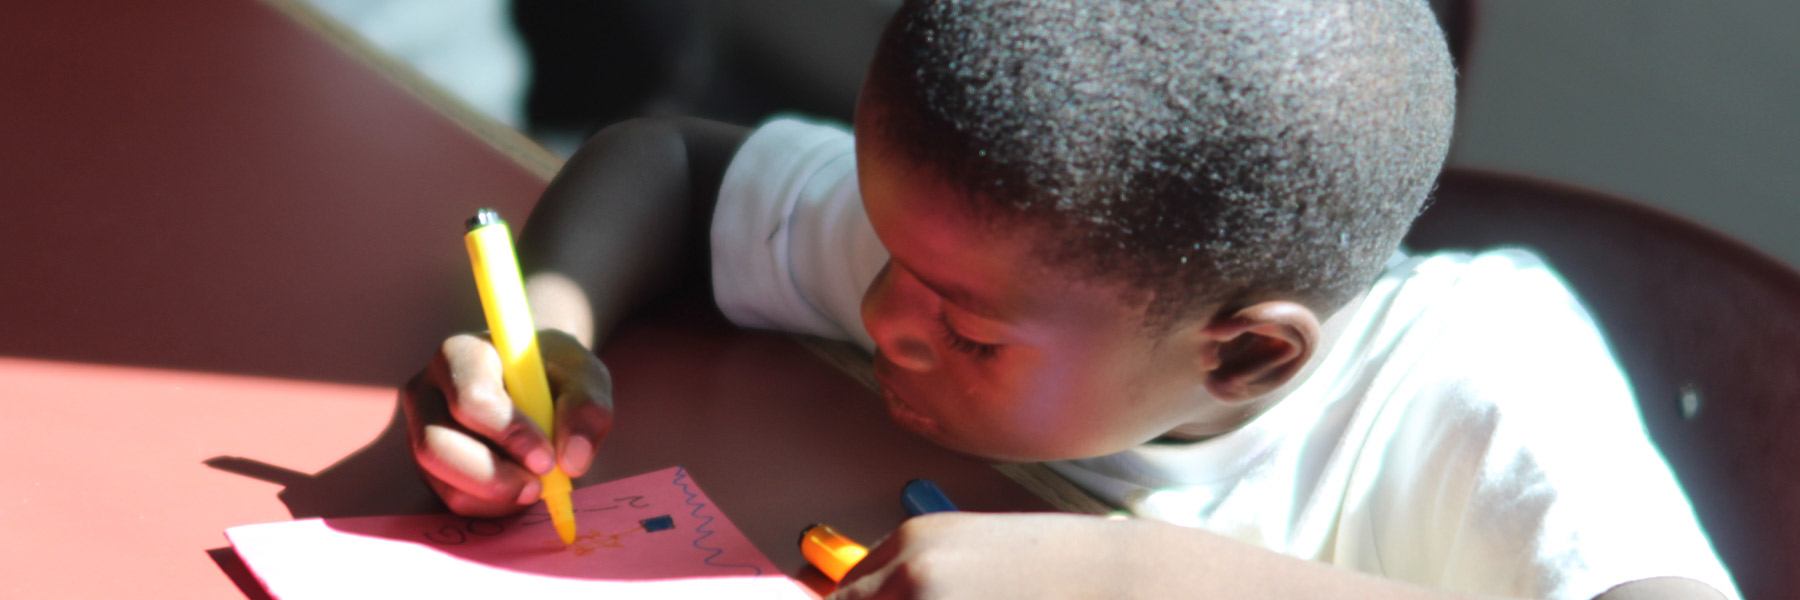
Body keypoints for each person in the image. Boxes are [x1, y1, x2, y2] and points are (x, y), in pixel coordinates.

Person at [400, 0, 1739, 598]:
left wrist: (1141, 578)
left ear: (1248, 358)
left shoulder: (1472, 382)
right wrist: (550, 334)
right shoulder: (971, 244)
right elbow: (670, 165)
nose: (886, 322)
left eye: (968, 333)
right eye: (885, 260)